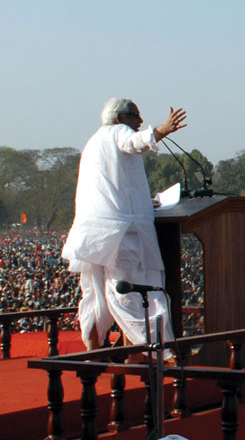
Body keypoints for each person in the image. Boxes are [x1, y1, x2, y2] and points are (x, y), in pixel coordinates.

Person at [62, 98, 187, 353]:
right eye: (136, 115)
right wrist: (162, 130)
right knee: (133, 290)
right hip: (121, 232)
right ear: (120, 118)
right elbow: (134, 142)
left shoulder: (93, 142)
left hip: (96, 232)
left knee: (97, 293)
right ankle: (150, 349)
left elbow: (115, 189)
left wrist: (142, 201)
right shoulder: (117, 132)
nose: (140, 121)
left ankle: (94, 350)